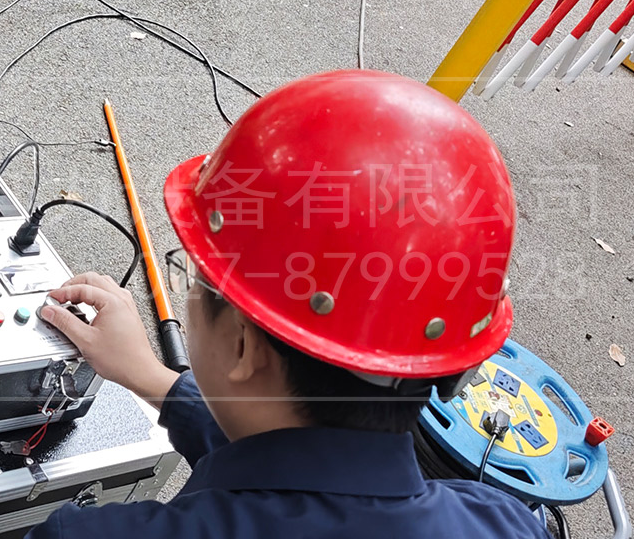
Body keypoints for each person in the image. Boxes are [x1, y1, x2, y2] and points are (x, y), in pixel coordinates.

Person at [31, 69, 550, 539]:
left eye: (192, 273)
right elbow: (305, 482)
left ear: (242, 343)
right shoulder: (503, 522)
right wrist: (151, 378)